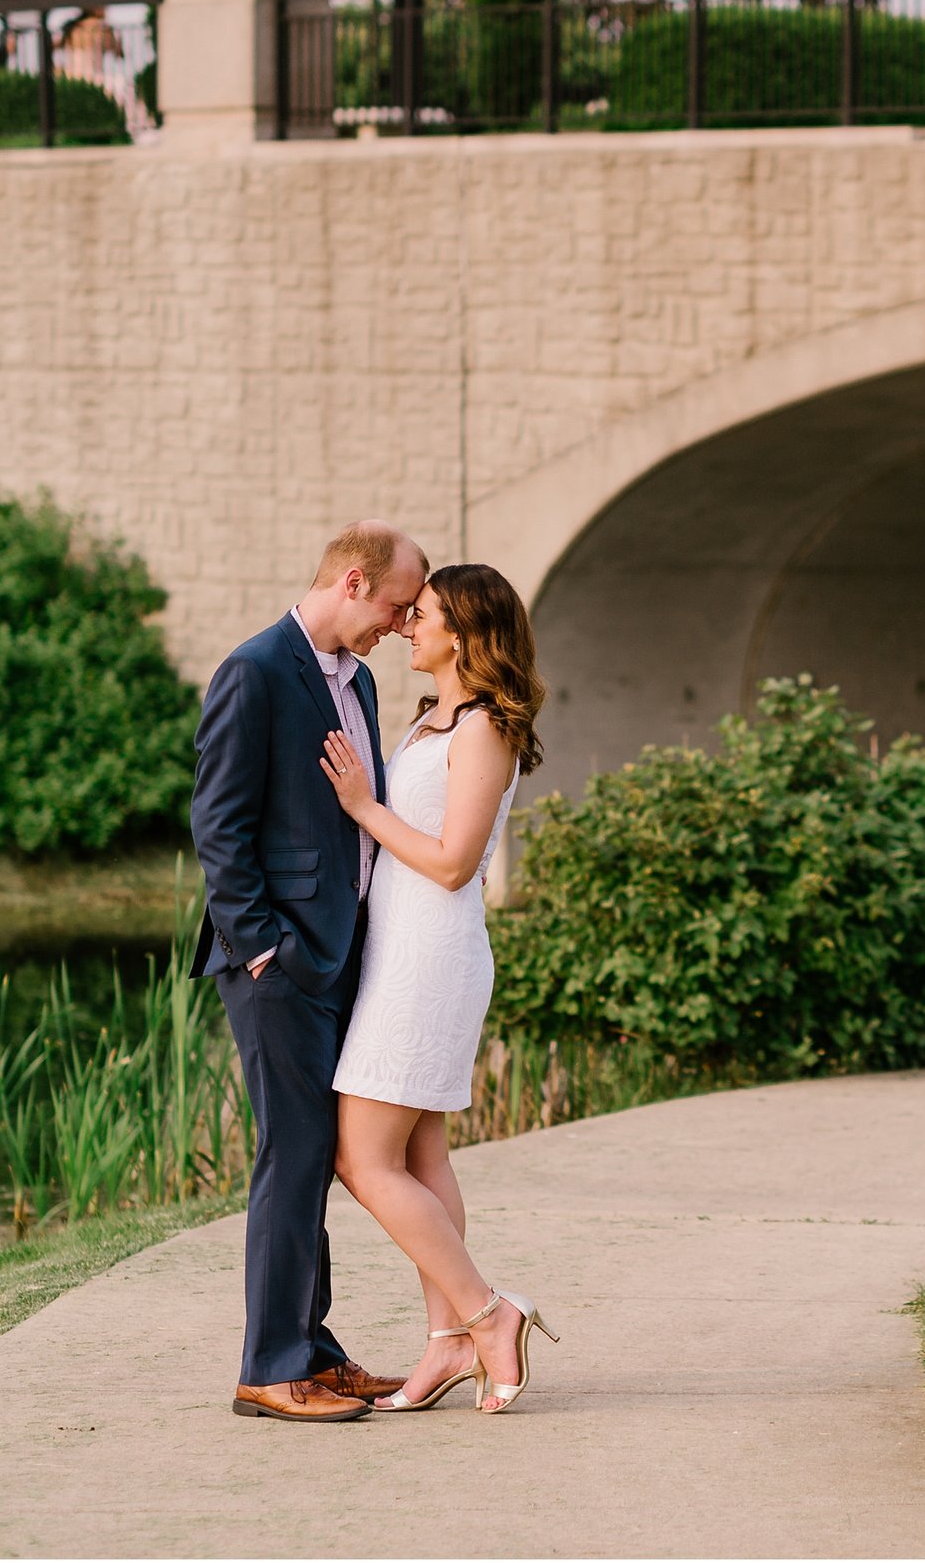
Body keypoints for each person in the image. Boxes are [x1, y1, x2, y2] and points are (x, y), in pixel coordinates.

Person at [191, 521, 428, 1423]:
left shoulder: (357, 681)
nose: (403, 627)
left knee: (315, 1160)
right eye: (399, 607)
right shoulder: (254, 670)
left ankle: (313, 1353)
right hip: (277, 965)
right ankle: (270, 1368)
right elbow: (218, 824)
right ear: (356, 582)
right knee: (290, 1157)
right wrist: (262, 951)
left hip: (343, 954)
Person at [319, 562, 560, 1413]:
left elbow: (455, 864)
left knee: (362, 1158)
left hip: (431, 959)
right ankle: (447, 1346)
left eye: (419, 615)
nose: (405, 626)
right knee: (420, 1156)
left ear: (461, 631)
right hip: (398, 954)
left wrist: (362, 806)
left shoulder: (486, 727)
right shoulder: (434, 722)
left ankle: (490, 1315)